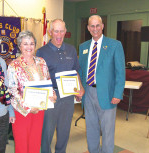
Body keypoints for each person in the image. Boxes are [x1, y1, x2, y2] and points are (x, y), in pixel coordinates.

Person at [78, 15, 125, 153]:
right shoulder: (83, 47)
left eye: (98, 25)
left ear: (102, 26)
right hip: (88, 93)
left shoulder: (115, 45)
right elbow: (81, 71)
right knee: (91, 128)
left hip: (107, 94)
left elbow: (120, 72)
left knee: (107, 130)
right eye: (92, 26)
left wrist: (118, 93)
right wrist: (80, 89)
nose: (95, 29)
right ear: (88, 28)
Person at [36, 19, 84, 153]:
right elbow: (39, 77)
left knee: (64, 130)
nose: (59, 34)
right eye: (56, 31)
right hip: (51, 97)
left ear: (65, 32)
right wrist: (49, 92)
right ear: (50, 32)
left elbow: (75, 71)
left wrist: (80, 87)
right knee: (47, 132)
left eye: (61, 31)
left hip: (68, 96)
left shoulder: (71, 49)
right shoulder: (41, 52)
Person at [7, 30, 56, 153]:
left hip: (39, 110)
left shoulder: (41, 62)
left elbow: (48, 81)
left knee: (35, 143)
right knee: (22, 145)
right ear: (20, 46)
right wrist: (28, 108)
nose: (29, 47)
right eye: (25, 44)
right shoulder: (14, 65)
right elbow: (12, 91)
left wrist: (52, 95)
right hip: (22, 111)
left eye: (32, 43)